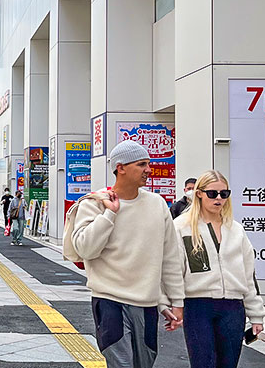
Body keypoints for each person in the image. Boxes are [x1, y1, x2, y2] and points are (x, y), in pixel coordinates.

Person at [71, 140, 185, 368]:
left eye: (148, 164)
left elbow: (170, 256)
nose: (148, 170)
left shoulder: (157, 204)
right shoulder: (95, 203)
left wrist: (176, 301)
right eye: (141, 164)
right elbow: (84, 249)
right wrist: (109, 216)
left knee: (144, 363)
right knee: (121, 364)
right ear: (120, 168)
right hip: (109, 300)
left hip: (147, 304)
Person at [173, 170, 265, 368]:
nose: (219, 199)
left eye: (224, 194)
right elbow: (174, 270)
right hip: (198, 305)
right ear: (199, 193)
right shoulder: (181, 226)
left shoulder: (236, 229)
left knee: (228, 364)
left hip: (233, 307)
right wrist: (174, 304)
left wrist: (256, 315)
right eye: (212, 194)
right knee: (202, 363)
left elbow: (248, 276)